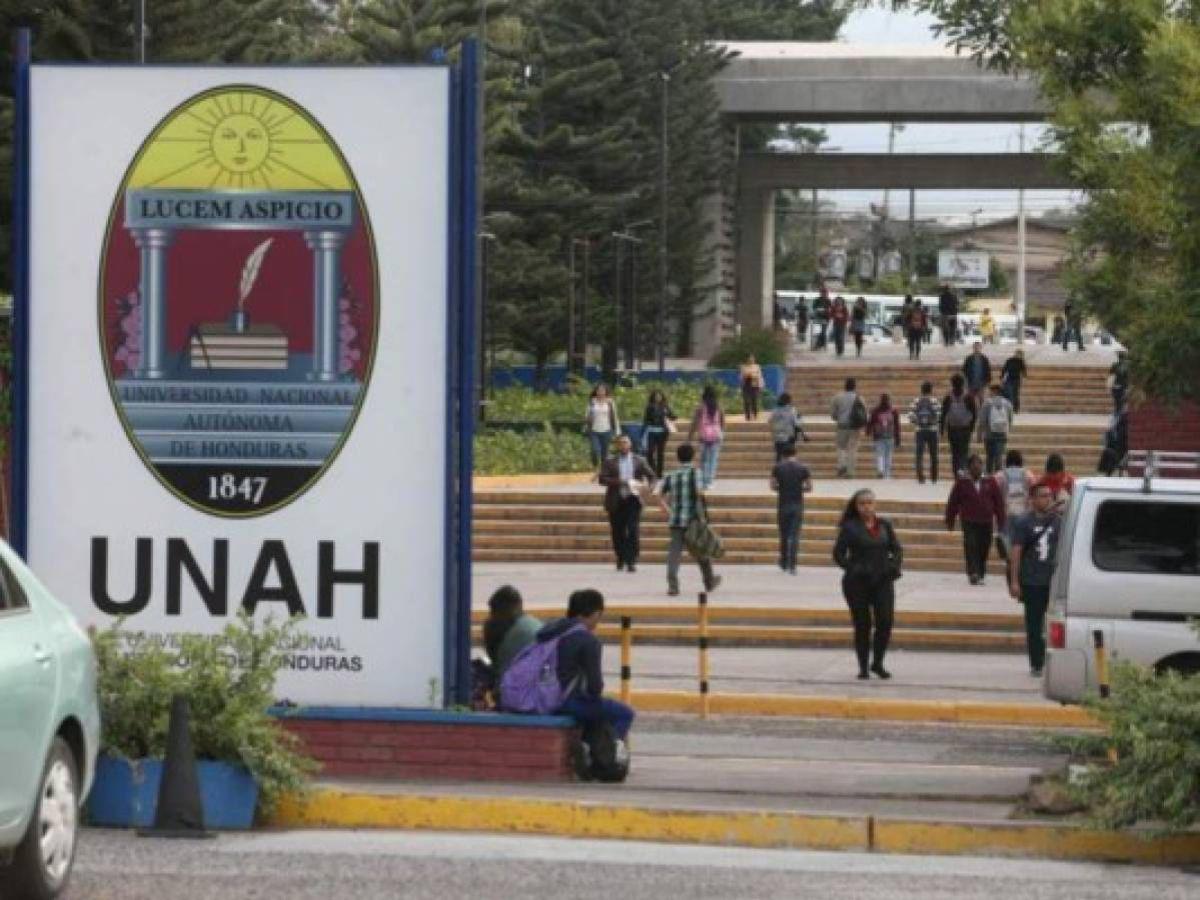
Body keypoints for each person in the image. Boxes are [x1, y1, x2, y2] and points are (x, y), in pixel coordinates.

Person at [540, 589, 635, 740]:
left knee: (594, 710)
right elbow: (595, 687)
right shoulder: (588, 640)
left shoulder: (551, 631)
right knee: (624, 713)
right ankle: (610, 751)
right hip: (565, 702)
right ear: (595, 613)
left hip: (540, 697)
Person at [833, 489, 904, 680]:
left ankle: (877, 663)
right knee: (862, 624)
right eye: (862, 504)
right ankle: (863, 666)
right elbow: (838, 554)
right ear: (856, 506)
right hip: (858, 583)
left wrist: (894, 566)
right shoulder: (850, 527)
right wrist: (853, 568)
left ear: (875, 504)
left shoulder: (884, 525)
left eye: (870, 503)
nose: (866, 507)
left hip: (882, 580)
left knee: (885, 621)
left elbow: (897, 549)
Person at [1008, 482, 1062, 677]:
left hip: (1053, 581)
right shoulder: (1024, 522)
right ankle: (1037, 663)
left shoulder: (1058, 521)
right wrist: (1015, 581)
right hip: (1032, 581)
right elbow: (1016, 552)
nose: (1047, 499)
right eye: (1043, 496)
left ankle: (1054, 661)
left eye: (1049, 495)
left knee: (1056, 623)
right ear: (1032, 499)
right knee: (1034, 625)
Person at [657, 443, 721, 596]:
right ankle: (709, 581)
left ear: (678, 457)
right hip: (693, 520)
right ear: (693, 456)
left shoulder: (670, 475)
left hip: (676, 521)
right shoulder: (696, 473)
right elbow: (699, 492)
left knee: (674, 554)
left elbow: (659, 495)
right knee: (700, 550)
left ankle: (673, 585)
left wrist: (667, 509)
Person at [945, 453, 1007, 586]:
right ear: (969, 468)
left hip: (986, 521)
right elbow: (953, 502)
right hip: (969, 520)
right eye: (974, 466)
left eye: (979, 465)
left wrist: (1001, 521)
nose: (977, 468)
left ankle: (981, 571)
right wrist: (950, 520)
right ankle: (973, 572)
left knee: (984, 546)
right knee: (971, 545)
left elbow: (998, 503)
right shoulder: (962, 483)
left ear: (982, 467)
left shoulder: (990, 482)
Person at [598, 434, 656, 573]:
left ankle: (632, 560)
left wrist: (649, 488)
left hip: (633, 499)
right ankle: (621, 557)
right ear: (617, 445)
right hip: (616, 500)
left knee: (633, 529)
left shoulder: (639, 460)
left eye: (626, 442)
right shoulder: (610, 461)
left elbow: (652, 476)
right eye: (621, 443)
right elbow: (602, 479)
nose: (623, 445)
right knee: (617, 531)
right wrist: (620, 481)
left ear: (630, 444)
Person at [483, 586, 542, 688]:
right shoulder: (534, 623)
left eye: (493, 612)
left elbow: (500, 671)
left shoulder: (514, 634)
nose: (491, 616)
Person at [771, 443, 812, 574]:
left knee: (783, 534)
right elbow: (809, 487)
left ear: (783, 455)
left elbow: (772, 486)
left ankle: (783, 562)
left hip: (783, 504)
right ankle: (793, 565)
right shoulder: (803, 468)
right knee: (794, 535)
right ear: (796, 454)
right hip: (797, 504)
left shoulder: (777, 467)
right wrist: (800, 489)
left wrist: (781, 488)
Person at [994, 449, 1034, 561]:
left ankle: (1009, 560)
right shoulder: (1028, 475)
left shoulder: (1000, 475)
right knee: (1020, 540)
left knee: (1007, 540)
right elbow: (1034, 490)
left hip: (1006, 513)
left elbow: (994, 493)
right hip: (1024, 513)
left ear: (1007, 461)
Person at [687, 385, 725, 488]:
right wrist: (721, 433)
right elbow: (722, 423)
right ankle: (710, 481)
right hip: (716, 436)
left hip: (703, 436)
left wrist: (689, 437)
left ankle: (704, 480)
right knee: (713, 459)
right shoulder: (719, 407)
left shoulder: (700, 408)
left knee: (703, 460)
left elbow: (694, 423)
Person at [940, 373, 976, 477]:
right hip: (965, 429)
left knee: (955, 453)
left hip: (952, 428)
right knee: (964, 452)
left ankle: (956, 474)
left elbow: (943, 414)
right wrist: (971, 427)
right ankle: (963, 473)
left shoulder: (948, 397)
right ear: (963, 383)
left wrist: (942, 429)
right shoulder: (968, 397)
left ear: (952, 383)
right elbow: (974, 413)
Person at [831, 377, 866, 478]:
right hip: (854, 427)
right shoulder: (859, 398)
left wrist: (838, 418)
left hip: (842, 426)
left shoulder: (837, 397)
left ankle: (842, 465)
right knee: (852, 450)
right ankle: (850, 472)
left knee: (841, 447)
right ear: (854, 386)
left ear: (845, 386)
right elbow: (863, 413)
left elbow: (833, 414)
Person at [976, 383, 1015, 474]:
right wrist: (1007, 430)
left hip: (989, 435)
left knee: (990, 456)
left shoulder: (987, 403)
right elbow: (1010, 420)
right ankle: (998, 475)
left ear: (994, 391)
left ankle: (989, 475)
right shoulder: (1007, 404)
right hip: (1002, 434)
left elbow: (982, 420)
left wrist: (979, 434)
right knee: (999, 456)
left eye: (991, 391)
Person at [909, 380, 941, 484]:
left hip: (920, 431)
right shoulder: (934, 401)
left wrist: (918, 422)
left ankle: (920, 477)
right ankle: (934, 477)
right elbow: (939, 415)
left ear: (921, 390)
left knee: (919, 455)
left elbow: (911, 416)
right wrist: (933, 422)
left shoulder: (916, 401)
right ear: (931, 390)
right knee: (934, 454)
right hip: (932, 430)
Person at [641, 389, 676, 478]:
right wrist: (645, 428)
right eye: (656, 396)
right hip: (652, 432)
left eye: (659, 396)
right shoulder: (649, 407)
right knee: (650, 452)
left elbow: (673, 416)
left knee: (660, 453)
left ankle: (660, 473)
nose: (658, 397)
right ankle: (653, 471)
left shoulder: (665, 406)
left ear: (662, 397)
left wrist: (668, 414)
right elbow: (645, 420)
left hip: (662, 432)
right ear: (653, 397)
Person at [585, 383, 619, 468]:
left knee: (605, 453)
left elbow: (614, 417)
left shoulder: (610, 402)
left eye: (602, 390)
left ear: (605, 391)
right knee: (595, 450)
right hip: (594, 430)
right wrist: (587, 424)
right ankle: (595, 464)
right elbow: (587, 415)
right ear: (596, 391)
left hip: (607, 430)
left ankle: (603, 470)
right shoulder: (592, 402)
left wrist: (617, 430)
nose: (600, 392)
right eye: (599, 390)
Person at [867, 393, 901, 479]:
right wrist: (897, 438)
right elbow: (897, 426)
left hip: (878, 436)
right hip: (890, 436)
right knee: (888, 455)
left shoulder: (875, 410)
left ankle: (880, 470)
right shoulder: (893, 411)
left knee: (880, 454)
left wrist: (868, 431)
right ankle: (887, 473)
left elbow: (870, 422)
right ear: (889, 400)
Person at [768, 391, 808, 463]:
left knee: (779, 455)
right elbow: (797, 423)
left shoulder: (775, 410)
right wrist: (803, 434)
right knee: (789, 456)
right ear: (789, 401)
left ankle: (779, 468)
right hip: (789, 437)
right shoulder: (791, 410)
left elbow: (770, 421)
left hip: (777, 437)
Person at [1000, 349, 1027, 413]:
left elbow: (1024, 371)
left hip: (1016, 380)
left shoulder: (1021, 362)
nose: (1018, 356)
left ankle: (1016, 409)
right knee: (1009, 393)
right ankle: (1009, 408)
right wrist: (1002, 377)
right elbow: (1004, 368)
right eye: (1018, 354)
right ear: (1015, 354)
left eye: (1020, 355)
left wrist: (1024, 377)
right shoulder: (1009, 360)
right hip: (1009, 379)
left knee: (1015, 394)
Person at [740, 354, 764, 421]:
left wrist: (760, 385)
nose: (751, 360)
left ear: (754, 360)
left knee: (754, 401)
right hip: (746, 385)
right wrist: (746, 375)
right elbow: (741, 377)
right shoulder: (743, 367)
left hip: (755, 385)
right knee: (746, 401)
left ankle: (755, 415)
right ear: (747, 360)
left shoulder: (757, 367)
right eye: (749, 359)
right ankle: (747, 416)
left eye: (752, 359)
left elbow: (760, 376)